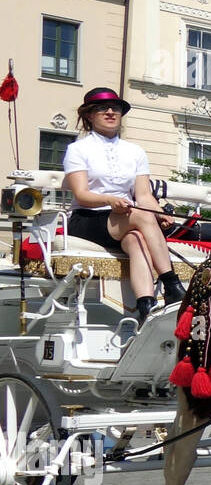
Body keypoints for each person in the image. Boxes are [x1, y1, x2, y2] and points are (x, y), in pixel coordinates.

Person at [62, 87, 185, 322]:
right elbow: (82, 194)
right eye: (102, 109)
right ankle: (171, 283)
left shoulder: (135, 151)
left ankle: (145, 305)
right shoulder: (78, 149)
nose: (110, 112)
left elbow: (144, 195)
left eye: (115, 108)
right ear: (89, 115)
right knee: (141, 217)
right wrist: (110, 200)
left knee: (137, 239)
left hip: (126, 217)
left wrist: (160, 214)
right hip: (88, 218)